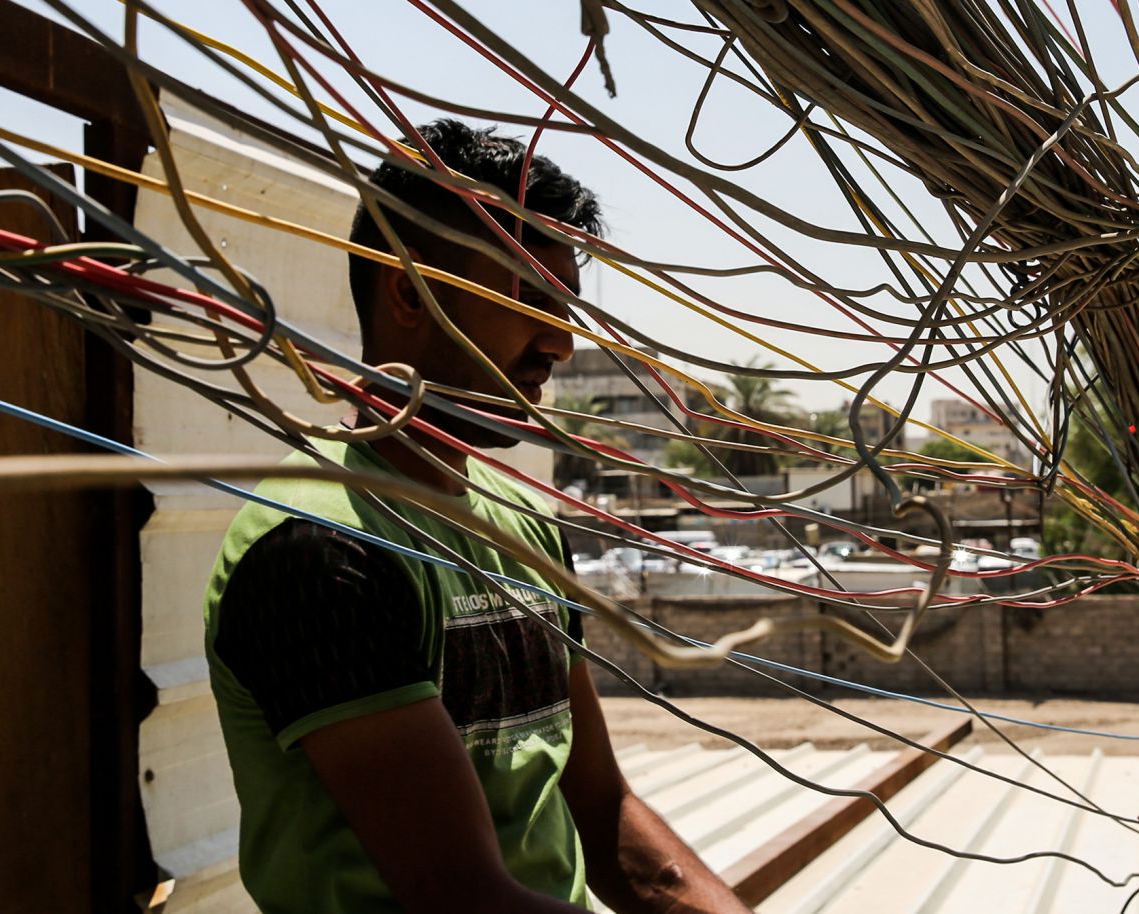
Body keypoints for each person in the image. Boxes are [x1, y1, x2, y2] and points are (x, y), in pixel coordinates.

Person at [203, 120, 749, 914]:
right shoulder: (321, 549)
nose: (561, 344)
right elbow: (462, 897)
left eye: (567, 307)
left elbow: (603, 815)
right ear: (409, 292)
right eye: (528, 298)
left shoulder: (522, 518)